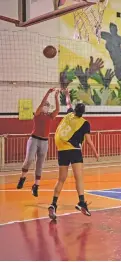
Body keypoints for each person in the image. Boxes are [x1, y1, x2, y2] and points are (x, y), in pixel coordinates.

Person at [48, 88, 99, 220]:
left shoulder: (69, 114)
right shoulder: (84, 123)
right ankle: (81, 202)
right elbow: (88, 141)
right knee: (79, 178)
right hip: (74, 150)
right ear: (83, 113)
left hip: (61, 149)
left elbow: (68, 103)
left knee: (61, 179)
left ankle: (53, 204)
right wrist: (95, 153)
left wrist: (66, 95)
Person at [17, 88, 60, 197]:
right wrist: (48, 93)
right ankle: (22, 178)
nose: (46, 106)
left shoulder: (50, 116)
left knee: (40, 164)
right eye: (45, 105)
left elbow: (58, 109)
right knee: (29, 159)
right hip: (34, 139)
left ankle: (36, 186)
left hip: (44, 141)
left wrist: (56, 97)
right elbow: (41, 104)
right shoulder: (37, 114)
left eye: (47, 105)